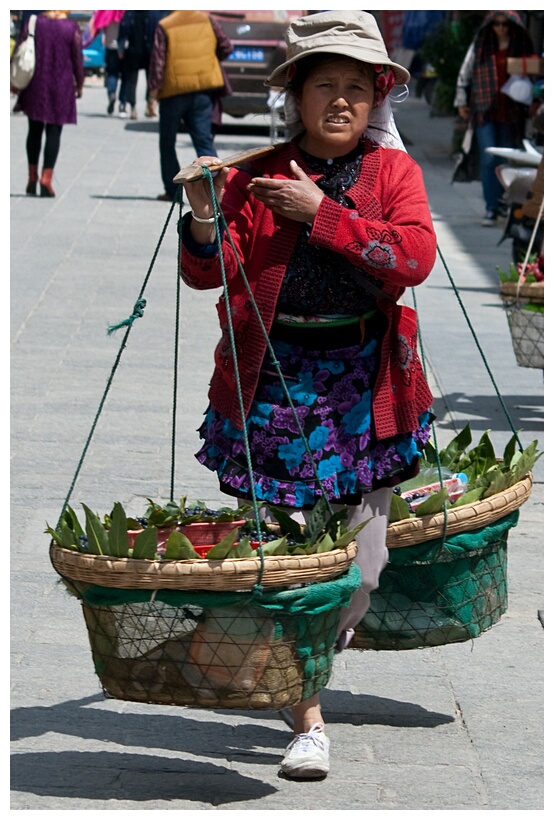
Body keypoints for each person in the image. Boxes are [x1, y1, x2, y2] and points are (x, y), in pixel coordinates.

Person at [178, 11, 437, 779]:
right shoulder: (255, 174)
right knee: (287, 551)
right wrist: (201, 215)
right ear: (295, 93)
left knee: (363, 563)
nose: (340, 100)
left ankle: (309, 648)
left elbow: (415, 256)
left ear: (375, 99)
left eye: (357, 87)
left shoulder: (393, 175)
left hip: (364, 385)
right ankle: (308, 717)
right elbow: (210, 273)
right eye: (325, 84)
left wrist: (321, 215)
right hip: (276, 385)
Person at [454, 11, 534, 226]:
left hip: (512, 112)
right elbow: (466, 71)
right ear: (490, 25)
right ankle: (490, 208)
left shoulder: (522, 44)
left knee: (506, 159)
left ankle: (502, 204)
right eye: (497, 24)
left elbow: (536, 71)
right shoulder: (481, 43)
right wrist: (461, 101)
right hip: (485, 110)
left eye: (505, 24)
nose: (501, 28)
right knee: (489, 158)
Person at [147, 10, 233, 201]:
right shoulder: (206, 20)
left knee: (167, 142)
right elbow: (226, 46)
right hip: (202, 89)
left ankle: (172, 191)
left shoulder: (166, 25)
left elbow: (158, 64)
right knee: (203, 140)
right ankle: (217, 190)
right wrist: (207, 60)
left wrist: (152, 97)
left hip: (173, 92)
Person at [11, 10, 84, 198]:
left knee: (34, 131)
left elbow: (20, 48)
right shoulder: (71, 28)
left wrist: (14, 79)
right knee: (54, 132)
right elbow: (77, 58)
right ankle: (46, 179)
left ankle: (32, 177)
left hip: (36, 83)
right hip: (61, 86)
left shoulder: (34, 22)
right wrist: (80, 83)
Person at [117, 11, 171, 120]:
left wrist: (121, 46)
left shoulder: (131, 13)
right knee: (147, 79)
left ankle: (135, 107)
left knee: (134, 80)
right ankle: (143, 105)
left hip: (137, 50)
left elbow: (124, 29)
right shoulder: (155, 13)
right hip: (147, 50)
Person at [88, 10, 125, 117]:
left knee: (112, 74)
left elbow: (101, 24)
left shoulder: (108, 11)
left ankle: (112, 94)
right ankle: (123, 104)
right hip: (124, 48)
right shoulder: (125, 13)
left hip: (110, 46)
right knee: (125, 77)